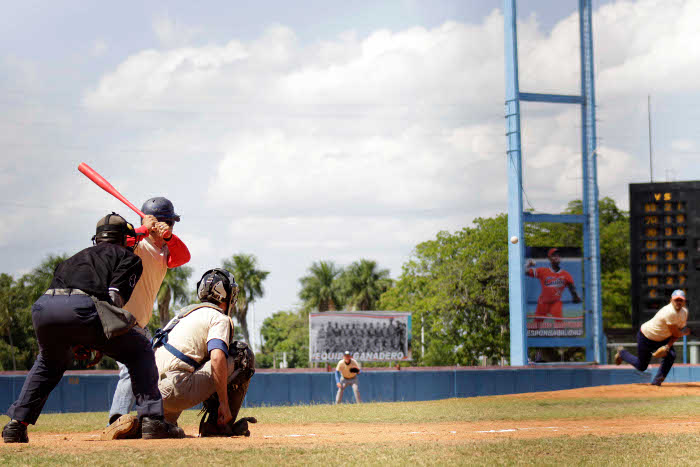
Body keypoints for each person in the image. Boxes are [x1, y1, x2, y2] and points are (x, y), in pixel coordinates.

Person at [2, 213, 183, 444]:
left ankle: (16, 425)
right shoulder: (128, 257)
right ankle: (152, 420)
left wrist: (84, 338)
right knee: (140, 350)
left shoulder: (73, 258)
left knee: (48, 364)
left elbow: (62, 305)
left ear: (97, 238)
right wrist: (100, 337)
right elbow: (113, 299)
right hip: (84, 309)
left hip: (44, 308)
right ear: (126, 239)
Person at [107, 197, 190, 429]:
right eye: (169, 223)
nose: (170, 227)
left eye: (172, 224)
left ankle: (148, 419)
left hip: (139, 323)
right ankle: (117, 420)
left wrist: (168, 236)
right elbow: (120, 242)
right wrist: (145, 226)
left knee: (146, 371)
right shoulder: (137, 244)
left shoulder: (166, 250)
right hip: (119, 316)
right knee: (130, 368)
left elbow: (184, 256)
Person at [153, 268, 257, 436]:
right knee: (241, 355)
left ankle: (155, 423)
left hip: (150, 394)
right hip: (175, 388)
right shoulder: (219, 317)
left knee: (192, 360)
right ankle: (218, 424)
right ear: (225, 294)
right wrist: (224, 403)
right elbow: (216, 359)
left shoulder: (183, 314)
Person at [615, 290, 690, 386]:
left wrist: (667, 346)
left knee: (671, 355)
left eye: (681, 300)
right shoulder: (669, 312)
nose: (678, 302)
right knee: (641, 366)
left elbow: (675, 334)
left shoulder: (684, 313)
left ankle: (657, 381)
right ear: (671, 300)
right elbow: (676, 333)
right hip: (647, 336)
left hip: (662, 338)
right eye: (676, 300)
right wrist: (684, 333)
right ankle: (622, 353)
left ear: (684, 302)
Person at [525, 248, 582, 325]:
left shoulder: (566, 275)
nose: (556, 257)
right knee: (535, 327)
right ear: (549, 258)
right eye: (554, 255)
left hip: (556, 303)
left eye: (558, 255)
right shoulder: (542, 271)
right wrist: (528, 264)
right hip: (543, 303)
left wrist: (575, 296)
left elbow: (572, 288)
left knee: (560, 327)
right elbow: (525, 271)